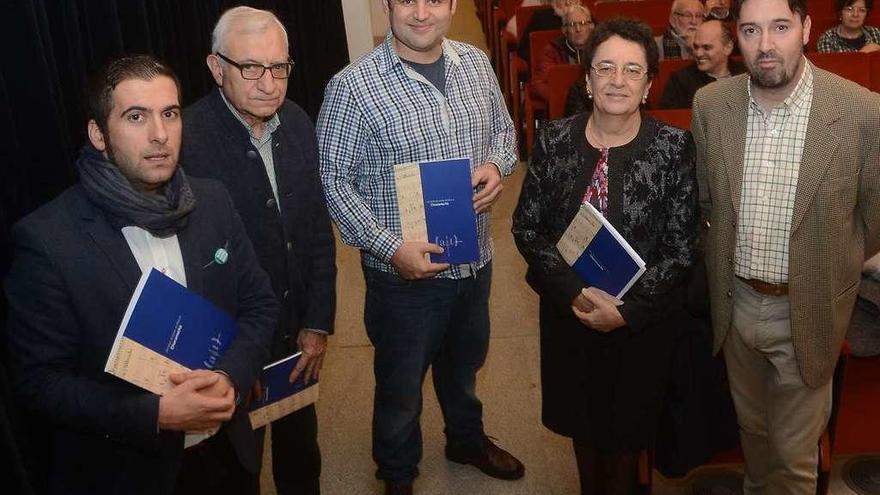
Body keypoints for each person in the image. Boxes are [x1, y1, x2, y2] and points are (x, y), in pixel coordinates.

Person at [3, 54, 278, 495]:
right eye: (136, 117)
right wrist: (156, 415)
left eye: (170, 114)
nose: (159, 134)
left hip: (228, 454)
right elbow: (39, 382)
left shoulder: (212, 202)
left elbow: (259, 304)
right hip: (129, 471)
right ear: (99, 134)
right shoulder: (48, 240)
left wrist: (230, 375)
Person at [316, 1, 523, 494]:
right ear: (387, 6)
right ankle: (397, 471)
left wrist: (497, 166)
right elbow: (334, 183)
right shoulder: (352, 88)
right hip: (404, 279)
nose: (421, 12)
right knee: (400, 387)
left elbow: (504, 134)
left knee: (464, 364)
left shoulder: (476, 63)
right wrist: (390, 249)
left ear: (452, 5)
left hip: (474, 260)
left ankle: (465, 440)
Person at [691, 0, 880, 492]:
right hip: (735, 304)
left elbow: (874, 220)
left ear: (807, 27)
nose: (766, 45)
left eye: (780, 27)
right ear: (737, 36)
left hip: (810, 308)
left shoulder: (862, 112)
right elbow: (706, 201)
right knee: (753, 436)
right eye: (751, 31)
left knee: (795, 460)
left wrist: (831, 262)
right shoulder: (711, 106)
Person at [513, 18, 699, 495]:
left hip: (639, 326)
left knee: (625, 443)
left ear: (648, 85)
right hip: (568, 316)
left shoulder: (673, 147)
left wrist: (625, 311)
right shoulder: (554, 143)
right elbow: (527, 228)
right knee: (584, 432)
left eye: (632, 70)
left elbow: (681, 249)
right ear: (588, 78)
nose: (618, 80)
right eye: (606, 68)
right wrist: (575, 294)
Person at [181, 7, 336, 494]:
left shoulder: (297, 121)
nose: (269, 83)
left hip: (294, 341)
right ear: (216, 67)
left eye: (280, 67)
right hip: (228, 352)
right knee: (235, 474)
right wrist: (227, 360)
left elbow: (315, 234)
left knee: (300, 460)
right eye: (251, 67)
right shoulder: (185, 142)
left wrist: (317, 322)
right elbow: (188, 271)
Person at [660, 20, 744, 109]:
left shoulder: (747, 76)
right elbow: (670, 118)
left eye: (706, 47)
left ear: (728, 47)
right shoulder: (680, 81)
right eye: (696, 47)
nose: (698, 54)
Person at [530, 5, 594, 102]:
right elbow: (539, 84)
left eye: (583, 23)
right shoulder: (552, 51)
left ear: (591, 26)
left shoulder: (600, 49)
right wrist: (565, 98)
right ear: (564, 30)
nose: (578, 29)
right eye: (572, 25)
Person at [517, 0, 583, 63]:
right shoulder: (540, 18)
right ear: (554, 1)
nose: (568, 3)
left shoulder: (586, 20)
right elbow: (523, 50)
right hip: (549, 67)